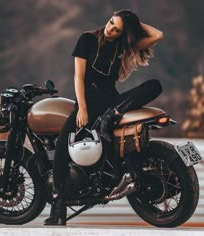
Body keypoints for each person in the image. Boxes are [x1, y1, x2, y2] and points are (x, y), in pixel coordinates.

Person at [44, 9, 163, 225]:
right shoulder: (87, 40)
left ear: (123, 33)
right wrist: (82, 108)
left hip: (112, 103)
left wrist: (133, 23)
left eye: (117, 29)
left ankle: (113, 115)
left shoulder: (122, 47)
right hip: (88, 102)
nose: (110, 29)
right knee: (62, 143)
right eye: (110, 23)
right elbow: (78, 77)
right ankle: (58, 206)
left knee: (154, 85)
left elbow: (157, 35)